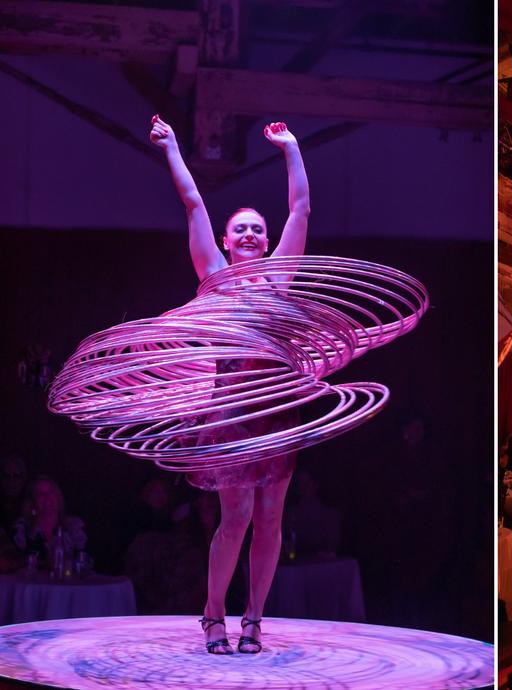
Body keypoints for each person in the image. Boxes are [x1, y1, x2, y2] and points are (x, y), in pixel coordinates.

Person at [151, 114, 310, 654]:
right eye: (239, 228)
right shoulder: (214, 278)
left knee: (270, 520)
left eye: (256, 229)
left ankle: (255, 620)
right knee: (236, 517)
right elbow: (194, 203)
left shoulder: (281, 277)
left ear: (266, 243)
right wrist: (173, 145)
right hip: (232, 413)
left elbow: (301, 209)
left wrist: (291, 148)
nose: (248, 234)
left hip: (276, 412)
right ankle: (213, 613)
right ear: (225, 240)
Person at [13, 477, 86, 565]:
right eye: (40, 494)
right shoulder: (23, 529)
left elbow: (85, 560)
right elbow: (15, 561)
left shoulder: (73, 527)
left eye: (51, 492)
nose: (46, 497)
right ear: (32, 502)